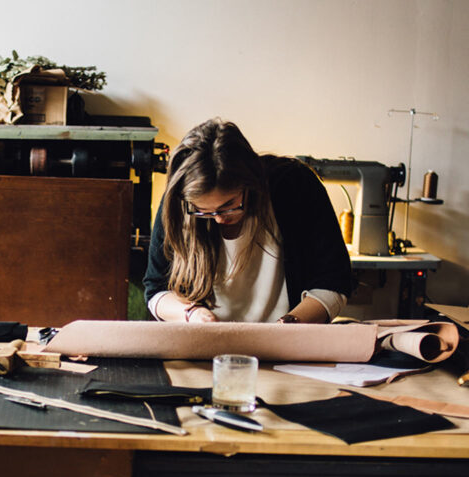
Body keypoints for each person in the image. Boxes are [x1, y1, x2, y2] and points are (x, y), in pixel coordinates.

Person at [144, 119, 352, 324]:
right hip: (205, 343)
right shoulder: (179, 202)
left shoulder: (296, 186)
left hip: (289, 344)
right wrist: (193, 315)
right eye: (203, 210)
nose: (218, 218)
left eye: (229, 204)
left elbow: (333, 281)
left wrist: (289, 326)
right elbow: (156, 289)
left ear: (251, 183)